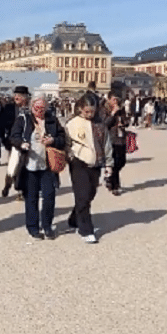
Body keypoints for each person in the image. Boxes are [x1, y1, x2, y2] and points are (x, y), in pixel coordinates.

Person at [10, 94, 65, 240]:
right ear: (31, 106)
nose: (39, 111)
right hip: (29, 165)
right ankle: (33, 228)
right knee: (31, 198)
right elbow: (13, 137)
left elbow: (62, 138)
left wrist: (53, 140)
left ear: (46, 107)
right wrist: (22, 144)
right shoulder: (23, 119)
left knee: (49, 196)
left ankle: (47, 226)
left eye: (42, 108)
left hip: (47, 165)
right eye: (36, 108)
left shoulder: (52, 120)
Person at [65, 93, 113, 244]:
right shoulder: (72, 123)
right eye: (87, 111)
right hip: (78, 162)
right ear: (80, 109)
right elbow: (66, 143)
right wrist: (70, 157)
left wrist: (109, 164)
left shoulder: (101, 124)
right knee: (83, 195)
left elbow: (107, 145)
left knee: (90, 194)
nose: (90, 114)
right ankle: (86, 230)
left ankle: (74, 218)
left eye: (92, 111)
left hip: (96, 163)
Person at [1, 85, 30, 197]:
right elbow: (2, 123)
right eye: (16, 95)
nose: (16, 97)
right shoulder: (9, 108)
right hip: (13, 142)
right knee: (13, 165)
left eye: (20, 95)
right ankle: (8, 184)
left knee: (24, 166)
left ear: (25, 97)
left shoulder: (30, 108)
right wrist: (5, 139)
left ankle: (21, 191)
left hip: (27, 142)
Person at [101, 91, 128, 195]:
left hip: (121, 138)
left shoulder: (121, 110)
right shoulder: (104, 110)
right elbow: (104, 124)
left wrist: (124, 123)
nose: (115, 102)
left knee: (122, 161)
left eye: (117, 99)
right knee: (115, 163)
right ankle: (115, 185)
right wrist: (112, 113)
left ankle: (109, 177)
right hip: (111, 139)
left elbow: (126, 120)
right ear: (109, 100)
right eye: (113, 99)